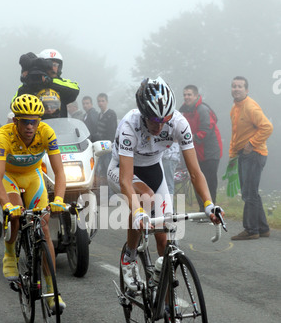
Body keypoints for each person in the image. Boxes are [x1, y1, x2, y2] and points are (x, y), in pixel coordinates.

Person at [107, 76, 223, 294]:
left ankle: (170, 310)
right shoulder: (129, 125)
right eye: (153, 120)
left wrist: (208, 204)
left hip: (154, 170)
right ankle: (129, 258)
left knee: (166, 239)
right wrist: (139, 212)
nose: (159, 126)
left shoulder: (179, 123)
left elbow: (196, 173)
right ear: (142, 113)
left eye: (165, 119)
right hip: (122, 171)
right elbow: (125, 179)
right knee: (145, 198)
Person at [0, 94, 67, 312]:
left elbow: (60, 172)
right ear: (16, 121)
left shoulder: (46, 132)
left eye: (34, 121)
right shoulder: (3, 135)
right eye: (25, 121)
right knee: (15, 215)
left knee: (43, 227)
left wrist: (59, 199)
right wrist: (6, 205)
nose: (30, 126)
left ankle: (53, 293)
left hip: (33, 176)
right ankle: (10, 254)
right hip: (10, 177)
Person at [229, 76, 273, 240]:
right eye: (234, 86)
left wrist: (251, 144)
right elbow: (235, 134)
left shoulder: (250, 107)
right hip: (243, 155)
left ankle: (251, 230)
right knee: (251, 192)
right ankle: (263, 228)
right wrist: (232, 155)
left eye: (240, 86)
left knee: (249, 193)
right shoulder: (234, 108)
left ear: (246, 90)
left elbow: (267, 127)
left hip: (255, 154)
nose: (236, 89)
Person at [179, 85, 222, 211]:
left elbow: (207, 129)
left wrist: (191, 138)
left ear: (196, 96)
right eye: (185, 95)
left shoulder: (203, 109)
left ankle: (211, 209)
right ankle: (202, 210)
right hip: (196, 152)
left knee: (209, 181)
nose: (186, 97)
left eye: (189, 95)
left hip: (211, 152)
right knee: (196, 179)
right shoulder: (185, 112)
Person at [13, 49, 80, 118]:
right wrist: (28, 84)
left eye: (56, 65)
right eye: (50, 65)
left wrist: (49, 82)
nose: (53, 68)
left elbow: (75, 89)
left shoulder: (62, 82)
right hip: (37, 126)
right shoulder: (29, 85)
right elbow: (14, 104)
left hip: (60, 126)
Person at [94, 93, 118, 191]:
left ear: (107, 102)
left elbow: (112, 131)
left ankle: (112, 195)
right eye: (99, 101)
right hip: (100, 148)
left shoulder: (111, 114)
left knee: (109, 172)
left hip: (108, 148)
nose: (101, 103)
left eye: (103, 101)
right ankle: (105, 196)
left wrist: (110, 145)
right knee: (101, 173)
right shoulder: (99, 115)